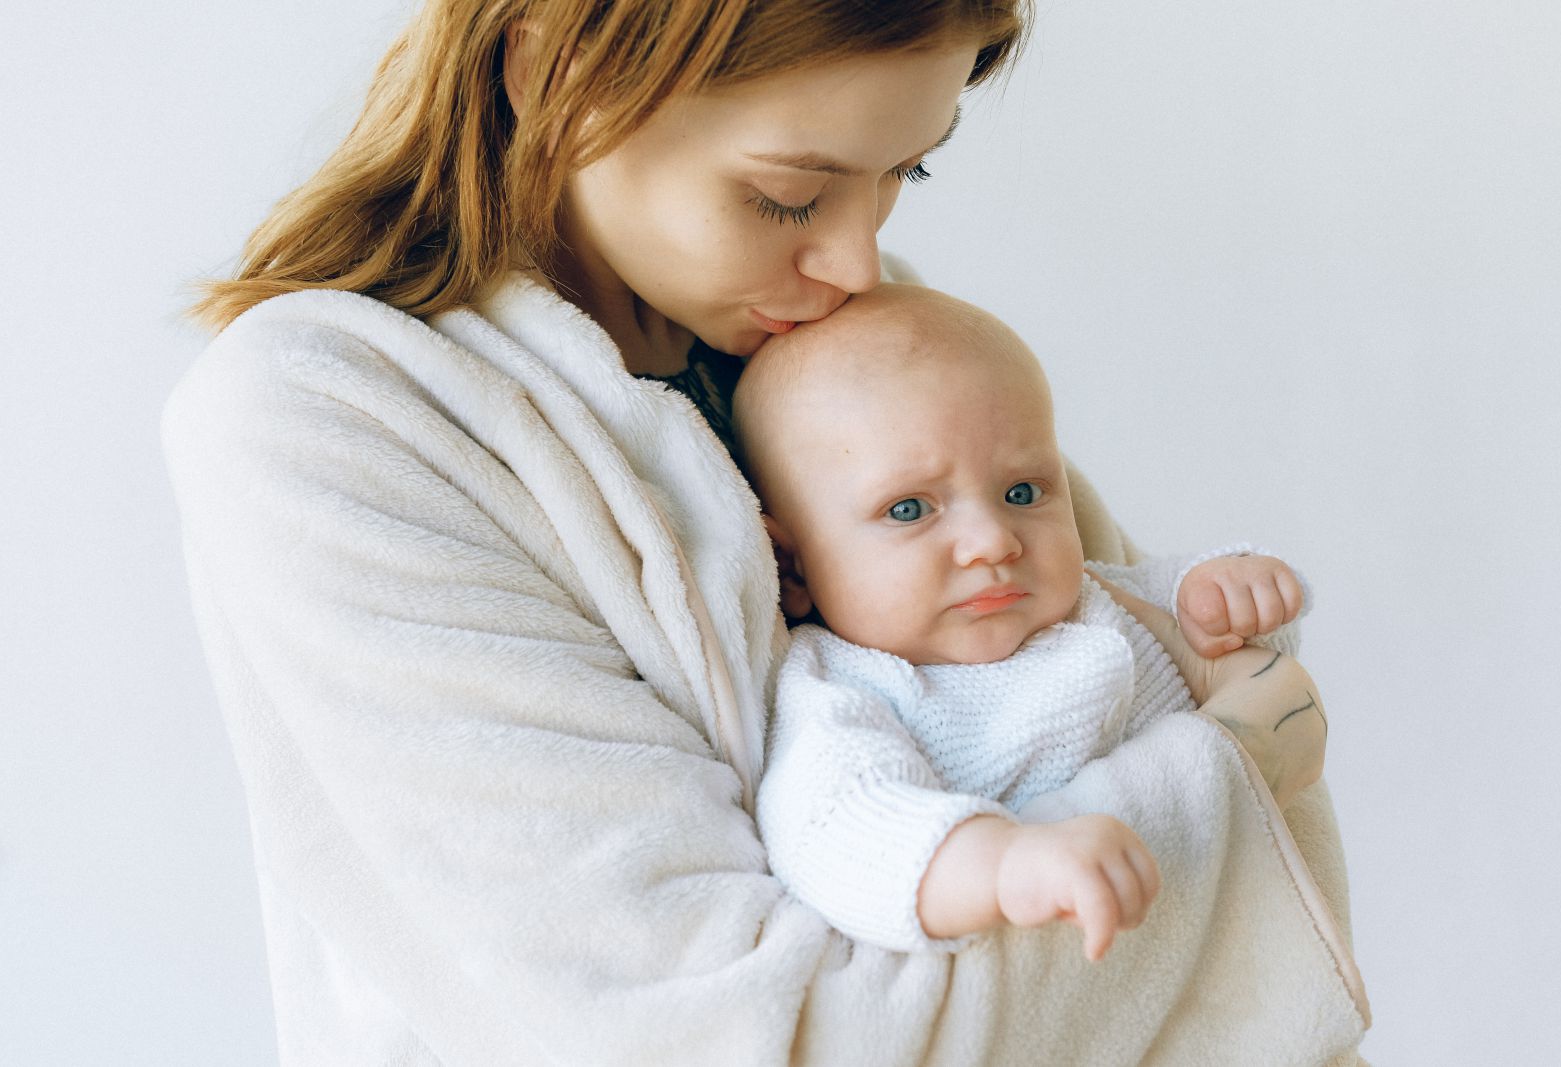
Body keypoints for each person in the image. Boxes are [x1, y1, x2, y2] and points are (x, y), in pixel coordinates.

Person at [164, 1, 1365, 1061]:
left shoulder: (832, 344)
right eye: (785, 194)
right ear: (555, 73)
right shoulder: (332, 418)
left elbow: (1120, 657)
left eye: (908, 171)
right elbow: (754, 1037)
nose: (855, 260)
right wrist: (1230, 780)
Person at [736, 284, 1328, 962]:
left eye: (1022, 492)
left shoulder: (1089, 600)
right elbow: (837, 828)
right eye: (909, 510)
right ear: (793, 568)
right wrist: (1003, 864)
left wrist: (1226, 588)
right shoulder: (849, 689)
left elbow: (1236, 649)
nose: (993, 540)